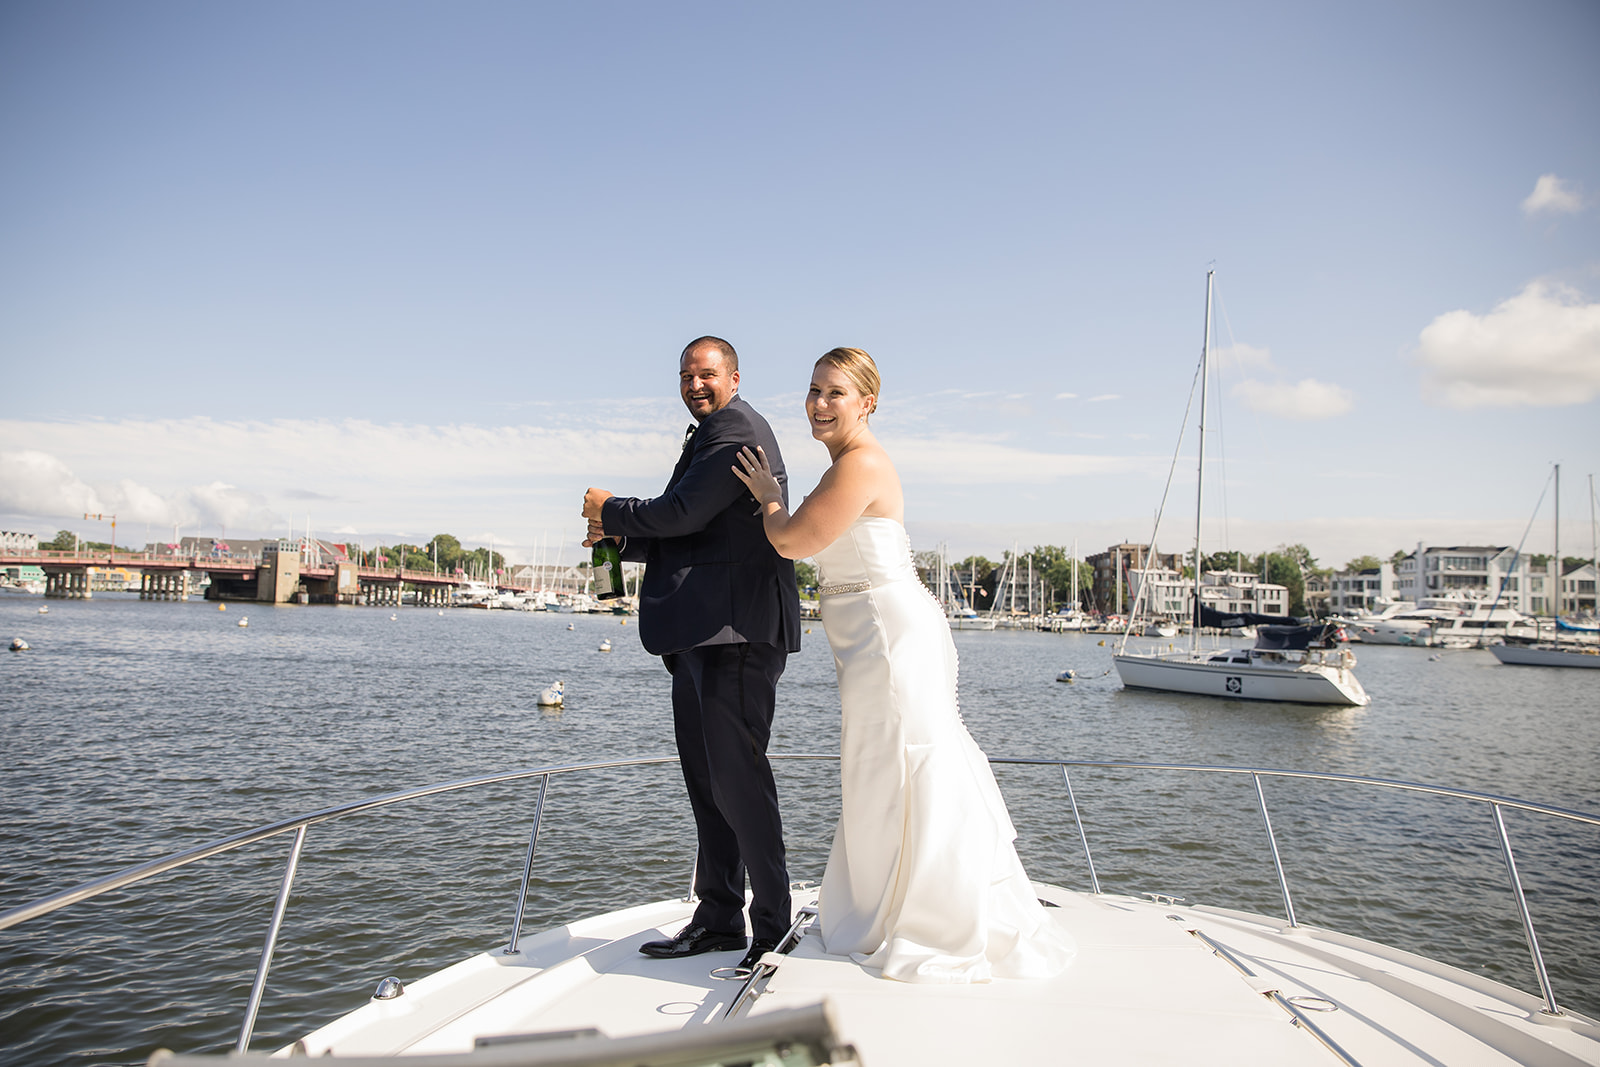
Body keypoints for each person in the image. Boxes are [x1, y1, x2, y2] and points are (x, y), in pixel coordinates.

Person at [732, 347, 1075, 983]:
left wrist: (768, 498)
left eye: (835, 393)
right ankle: (890, 904)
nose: (819, 403)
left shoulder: (860, 464)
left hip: (890, 639)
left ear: (867, 404)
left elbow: (791, 540)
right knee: (882, 763)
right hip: (870, 637)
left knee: (905, 757)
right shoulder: (846, 465)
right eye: (813, 390)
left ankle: (930, 916)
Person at [582, 336, 801, 976]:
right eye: (686, 375)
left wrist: (609, 508)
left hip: (735, 636)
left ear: (734, 376)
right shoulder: (708, 434)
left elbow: (680, 511)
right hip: (704, 638)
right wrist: (615, 538)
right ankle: (717, 918)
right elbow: (697, 531)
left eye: (706, 374)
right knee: (709, 784)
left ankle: (772, 929)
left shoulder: (734, 432)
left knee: (740, 783)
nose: (695, 384)